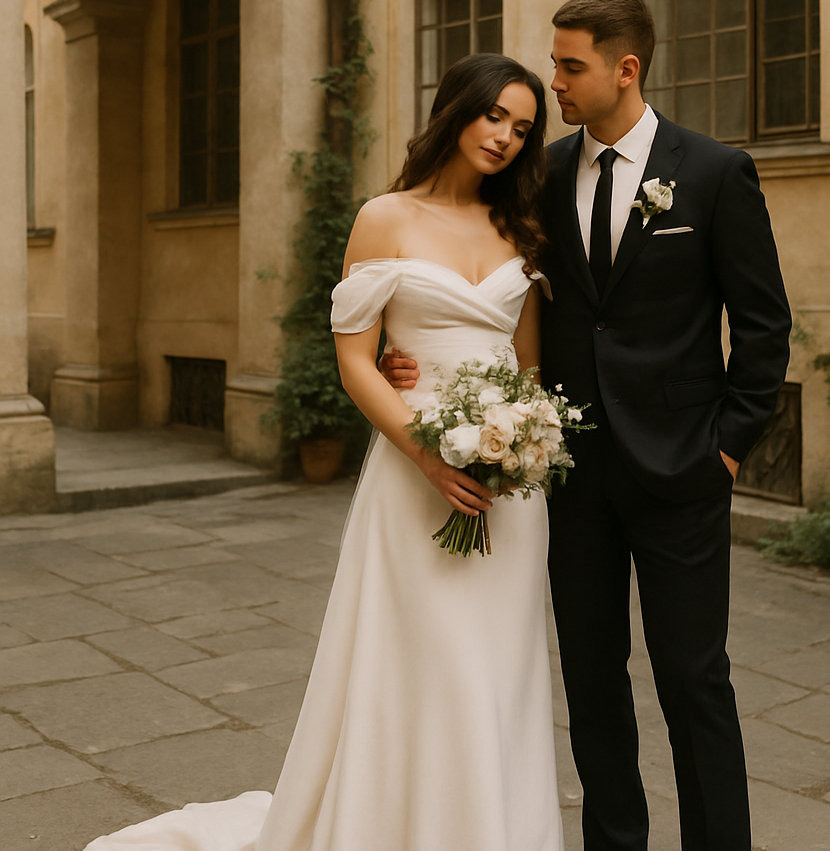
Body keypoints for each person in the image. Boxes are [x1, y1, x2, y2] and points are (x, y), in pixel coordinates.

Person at [81, 52, 563, 851]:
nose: (507, 138)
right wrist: (430, 455)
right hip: (415, 475)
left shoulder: (519, 226)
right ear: (456, 112)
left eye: (522, 127)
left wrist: (520, 441)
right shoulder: (386, 217)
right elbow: (353, 359)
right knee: (426, 658)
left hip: (509, 488)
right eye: (494, 117)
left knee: (497, 668)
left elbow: (527, 360)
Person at [384, 0, 791, 851]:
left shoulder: (716, 172)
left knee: (693, 681)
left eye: (571, 66)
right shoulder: (539, 176)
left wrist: (727, 450)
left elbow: (764, 328)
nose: (557, 82)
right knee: (595, 687)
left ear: (625, 68)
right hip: (570, 479)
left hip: (685, 472)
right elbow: (494, 297)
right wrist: (410, 357)